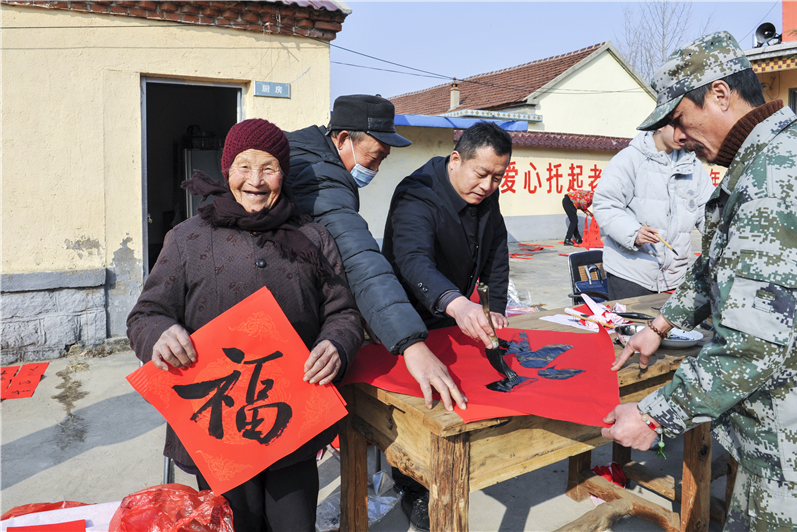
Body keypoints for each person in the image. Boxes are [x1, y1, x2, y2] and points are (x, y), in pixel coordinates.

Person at [601, 31, 797, 531]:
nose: (679, 135)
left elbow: (754, 342)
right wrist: (662, 324)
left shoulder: (773, 178)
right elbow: (715, 266)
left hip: (786, 449)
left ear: (719, 93)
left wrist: (655, 415)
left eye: (679, 119)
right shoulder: (760, 162)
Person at [126, 119, 363, 532]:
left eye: (268, 167)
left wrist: (337, 345)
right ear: (226, 171)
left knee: (295, 524)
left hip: (293, 421)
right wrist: (159, 336)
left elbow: (344, 314)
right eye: (243, 166)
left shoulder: (313, 237)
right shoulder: (188, 238)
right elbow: (145, 316)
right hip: (219, 426)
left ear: (283, 174)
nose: (255, 180)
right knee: (235, 524)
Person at [286, 95, 468, 412]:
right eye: (374, 157)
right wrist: (411, 343)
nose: (377, 168)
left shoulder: (307, 153)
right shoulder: (319, 177)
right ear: (343, 139)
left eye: (383, 159)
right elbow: (360, 259)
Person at [382, 121, 512, 531]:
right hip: (410, 313)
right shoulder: (416, 195)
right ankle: (412, 484)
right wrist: (455, 302)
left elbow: (497, 251)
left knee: (461, 396)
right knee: (419, 407)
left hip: (452, 311)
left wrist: (496, 306)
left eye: (498, 176)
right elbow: (412, 259)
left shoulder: (486, 197)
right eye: (481, 174)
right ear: (456, 159)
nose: (488, 185)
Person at [593, 124, 713, 299]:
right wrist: (633, 233)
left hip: (676, 276)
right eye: (679, 127)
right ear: (661, 124)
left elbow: (708, 213)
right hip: (631, 273)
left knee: (668, 327)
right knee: (633, 326)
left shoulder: (694, 166)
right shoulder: (630, 158)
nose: (684, 135)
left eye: (689, 127)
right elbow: (606, 203)